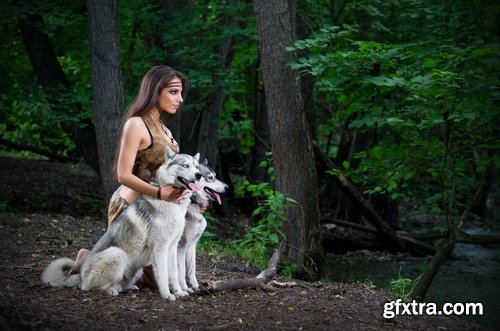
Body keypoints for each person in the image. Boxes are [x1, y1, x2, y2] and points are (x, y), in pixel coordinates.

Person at [70, 65, 198, 288]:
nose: (180, 99)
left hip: (159, 210)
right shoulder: (136, 124)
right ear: (155, 90)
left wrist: (190, 197)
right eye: (173, 92)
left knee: (159, 274)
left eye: (181, 93)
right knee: (153, 281)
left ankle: (89, 258)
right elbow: (122, 174)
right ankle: (86, 261)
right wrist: (159, 192)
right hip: (131, 207)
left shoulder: (165, 130)